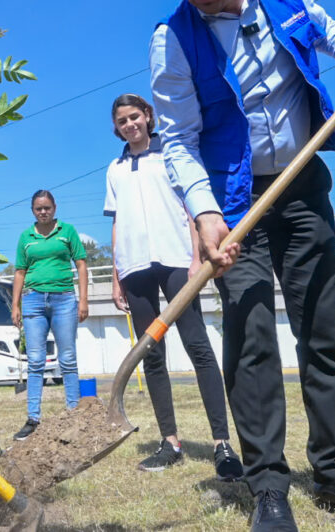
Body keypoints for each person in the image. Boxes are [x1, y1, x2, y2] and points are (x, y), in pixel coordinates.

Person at [149, 0, 335, 531]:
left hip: (301, 184)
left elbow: (324, 30)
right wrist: (205, 215)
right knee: (251, 340)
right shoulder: (172, 38)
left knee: (321, 331)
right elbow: (177, 138)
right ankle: (268, 486)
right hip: (233, 205)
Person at [104, 93, 243, 478]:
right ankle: (170, 441)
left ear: (148, 116)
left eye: (135, 117)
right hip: (134, 268)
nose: (130, 125)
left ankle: (222, 444)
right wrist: (117, 275)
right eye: (122, 121)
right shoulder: (114, 169)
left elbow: (190, 207)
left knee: (198, 345)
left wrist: (197, 257)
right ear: (116, 128)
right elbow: (116, 223)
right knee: (152, 354)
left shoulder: (172, 154)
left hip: (177, 261)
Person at [10, 190, 88, 441]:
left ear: (55, 207)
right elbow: (20, 272)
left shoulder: (68, 232)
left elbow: (81, 265)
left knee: (67, 358)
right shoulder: (26, 237)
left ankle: (74, 415)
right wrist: (15, 305)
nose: (43, 212)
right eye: (38, 209)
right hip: (32, 301)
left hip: (64, 299)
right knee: (35, 360)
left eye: (47, 208)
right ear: (32, 211)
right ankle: (33, 418)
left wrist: (83, 300)